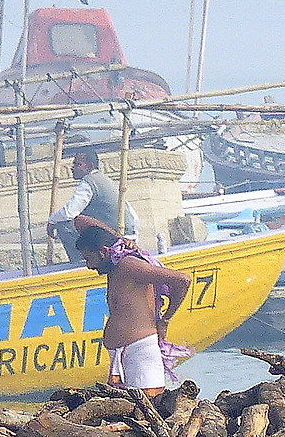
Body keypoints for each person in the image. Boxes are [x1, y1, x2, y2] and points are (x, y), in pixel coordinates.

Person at [74, 221, 190, 395]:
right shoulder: (114, 267)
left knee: (148, 407)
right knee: (124, 409)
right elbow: (79, 220)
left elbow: (183, 280)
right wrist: (120, 238)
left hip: (140, 353)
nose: (89, 266)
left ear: (104, 252)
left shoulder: (129, 265)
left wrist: (165, 320)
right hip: (121, 354)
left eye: (89, 259)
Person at [48, 148, 139, 245]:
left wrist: (52, 221)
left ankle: (79, 260)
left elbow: (69, 212)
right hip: (128, 233)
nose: (72, 168)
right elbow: (134, 216)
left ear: (90, 166)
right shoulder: (105, 180)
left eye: (77, 164)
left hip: (116, 235)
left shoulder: (89, 181)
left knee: (64, 224)